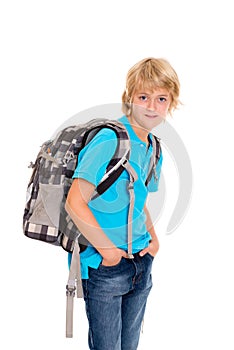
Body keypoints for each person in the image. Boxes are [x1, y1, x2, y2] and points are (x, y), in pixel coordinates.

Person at [65, 57, 180, 350]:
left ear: (171, 102)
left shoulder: (153, 146)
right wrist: (109, 252)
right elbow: (75, 202)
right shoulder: (109, 139)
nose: (151, 107)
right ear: (129, 99)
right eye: (143, 97)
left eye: (161, 98)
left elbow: (139, 202)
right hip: (104, 266)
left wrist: (153, 242)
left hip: (140, 260)